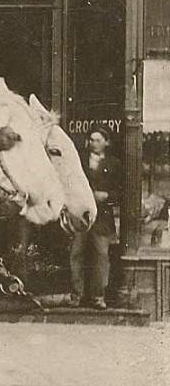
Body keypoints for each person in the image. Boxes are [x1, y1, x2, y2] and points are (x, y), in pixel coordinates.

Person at [70, 125, 121, 309]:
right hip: (81, 216)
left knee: (101, 256)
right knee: (77, 253)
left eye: (98, 140)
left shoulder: (114, 164)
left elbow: (122, 191)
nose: (94, 143)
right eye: (91, 140)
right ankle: (77, 295)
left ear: (106, 142)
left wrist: (107, 196)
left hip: (102, 218)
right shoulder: (79, 161)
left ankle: (98, 297)